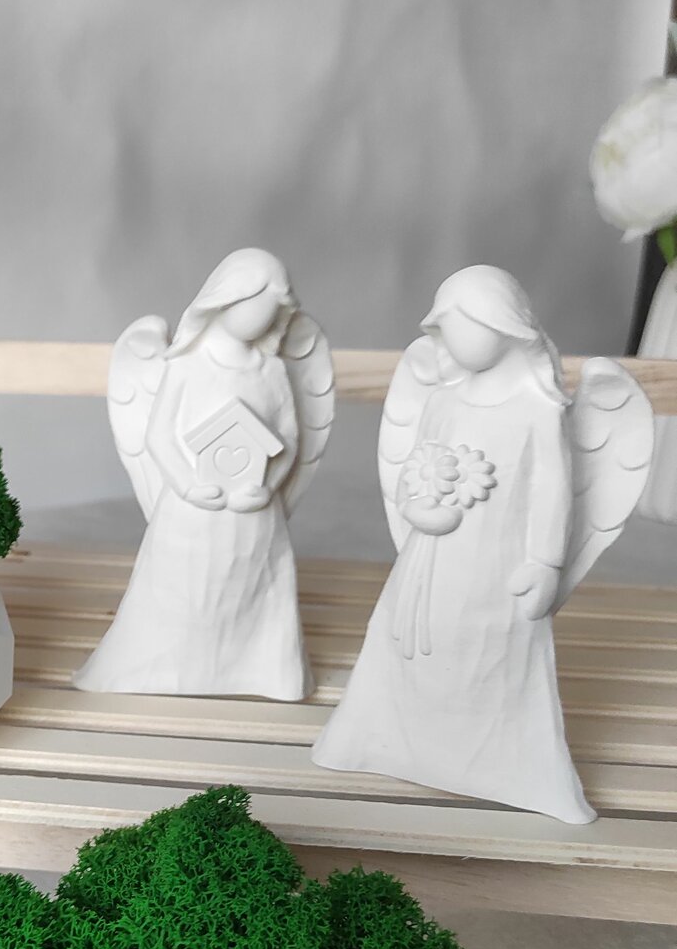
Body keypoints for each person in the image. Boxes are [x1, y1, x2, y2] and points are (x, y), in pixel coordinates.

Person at [313, 265, 593, 823]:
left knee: (485, 655)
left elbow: (553, 492)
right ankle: (387, 740)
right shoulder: (443, 401)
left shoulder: (537, 409)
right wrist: (417, 509)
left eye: (468, 323)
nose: (457, 338)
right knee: (411, 647)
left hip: (495, 569)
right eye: (448, 326)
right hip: (428, 565)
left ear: (507, 326)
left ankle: (503, 764)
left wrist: (545, 561)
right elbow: (416, 471)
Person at [76, 249, 317, 700]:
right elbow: (159, 435)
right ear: (225, 300)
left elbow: (288, 439)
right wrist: (188, 485)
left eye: (272, 311)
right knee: (181, 590)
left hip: (252, 514)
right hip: (193, 513)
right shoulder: (187, 365)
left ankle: (259, 671)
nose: (262, 318)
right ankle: (163, 669)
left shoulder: (272, 370)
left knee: (253, 589)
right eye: (256, 305)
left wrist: (266, 486)